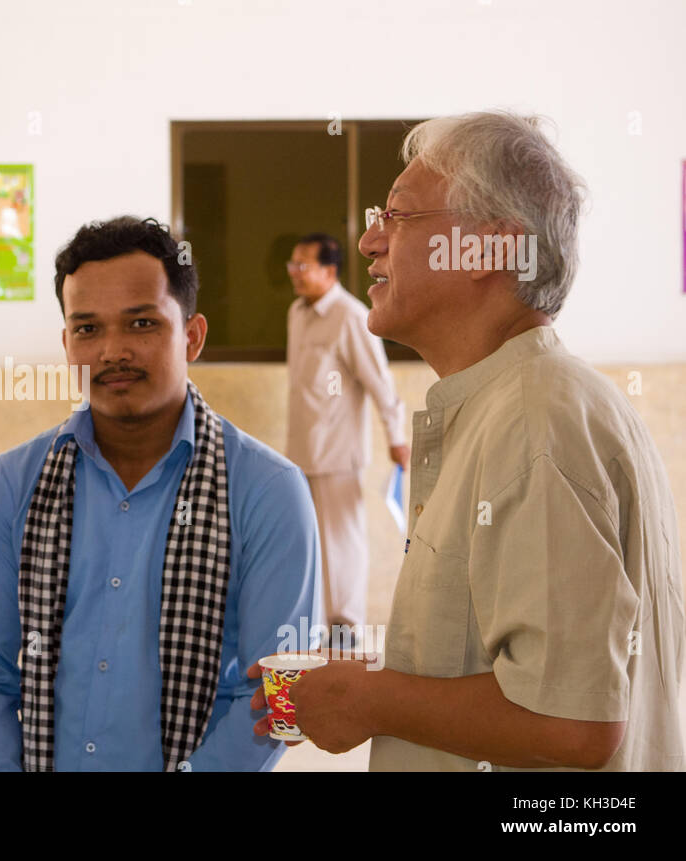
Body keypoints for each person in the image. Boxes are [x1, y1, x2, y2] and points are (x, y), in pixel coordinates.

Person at [253, 110, 684, 771]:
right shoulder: (515, 405)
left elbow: (572, 722)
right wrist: (387, 677)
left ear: (489, 246)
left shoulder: (538, 417)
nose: (368, 242)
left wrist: (373, 700)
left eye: (396, 216)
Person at [0, 216, 321, 771]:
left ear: (191, 335)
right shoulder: (11, 484)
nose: (112, 351)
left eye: (141, 323)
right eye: (88, 329)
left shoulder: (268, 490)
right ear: (67, 342)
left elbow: (276, 697)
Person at [285, 232, 409, 639]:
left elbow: (379, 381)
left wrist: (396, 436)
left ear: (329, 270)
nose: (295, 273)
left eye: (304, 265)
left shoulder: (351, 316)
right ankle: (317, 625)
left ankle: (348, 624)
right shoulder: (297, 314)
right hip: (302, 449)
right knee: (312, 541)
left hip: (340, 451)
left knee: (343, 542)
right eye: (293, 265)